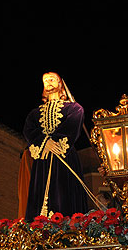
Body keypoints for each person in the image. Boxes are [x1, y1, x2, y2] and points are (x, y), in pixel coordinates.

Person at [23, 72, 88, 221]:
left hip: (64, 155)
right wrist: (44, 142)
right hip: (43, 159)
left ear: (60, 84)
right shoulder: (34, 114)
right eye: (45, 80)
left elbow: (72, 125)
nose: (48, 82)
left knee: (64, 190)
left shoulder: (73, 108)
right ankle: (38, 224)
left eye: (52, 79)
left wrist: (55, 141)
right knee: (40, 189)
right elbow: (28, 130)